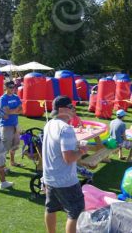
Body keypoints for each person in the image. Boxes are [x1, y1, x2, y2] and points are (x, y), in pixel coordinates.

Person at [43, 96, 87, 233]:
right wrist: (81, 151)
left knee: (51, 208)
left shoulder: (49, 124)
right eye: (71, 107)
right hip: (65, 180)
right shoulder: (66, 129)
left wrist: (75, 148)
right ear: (62, 109)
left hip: (50, 177)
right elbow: (68, 158)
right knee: (76, 211)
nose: (74, 110)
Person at [0, 81, 23, 169]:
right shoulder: (3, 98)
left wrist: (13, 110)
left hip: (15, 124)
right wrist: (16, 110)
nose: (13, 89)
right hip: (6, 125)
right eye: (10, 87)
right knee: (5, 147)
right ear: (5, 87)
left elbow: (22, 110)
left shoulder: (16, 97)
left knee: (15, 145)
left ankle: (12, 162)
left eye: (14, 87)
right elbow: (7, 112)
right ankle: (2, 166)